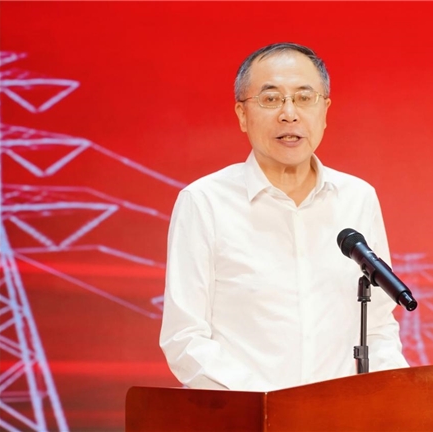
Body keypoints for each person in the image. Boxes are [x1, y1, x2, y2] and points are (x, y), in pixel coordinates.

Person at [160, 42, 408, 392]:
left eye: (304, 98)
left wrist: (397, 398)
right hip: (246, 414)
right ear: (242, 114)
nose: (289, 114)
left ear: (325, 111)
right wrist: (268, 406)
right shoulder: (204, 202)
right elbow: (185, 338)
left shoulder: (357, 198)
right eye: (271, 99)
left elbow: (378, 329)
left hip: (341, 415)